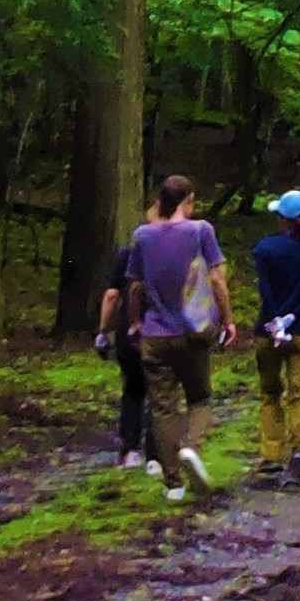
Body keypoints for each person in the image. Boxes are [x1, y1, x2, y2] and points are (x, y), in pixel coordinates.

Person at [94, 172, 226, 500]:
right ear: (189, 200)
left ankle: (174, 484)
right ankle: (191, 448)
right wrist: (227, 320)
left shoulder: (142, 236)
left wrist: (135, 323)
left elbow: (134, 286)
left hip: (154, 334)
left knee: (163, 407)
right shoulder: (200, 231)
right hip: (193, 329)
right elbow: (217, 279)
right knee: (200, 398)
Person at [250, 190, 300, 484]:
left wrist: (276, 319)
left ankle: (271, 453)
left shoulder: (265, 249)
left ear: (282, 219)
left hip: (267, 332)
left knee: (271, 392)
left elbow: (266, 290)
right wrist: (293, 316)